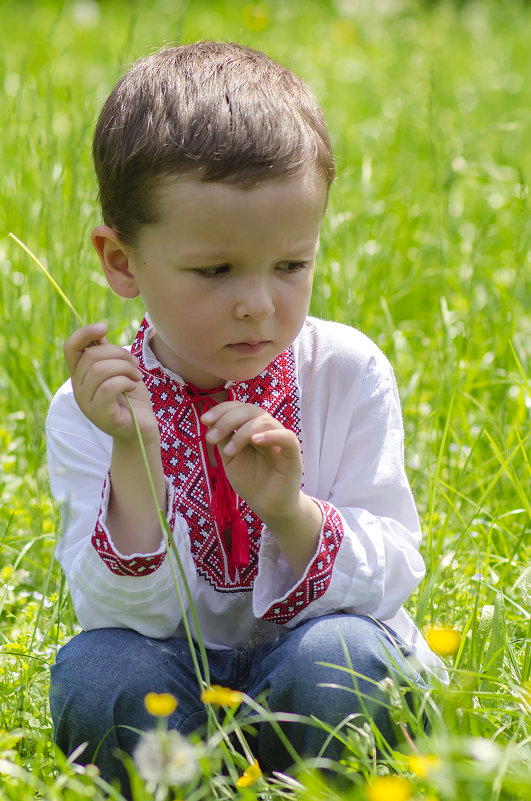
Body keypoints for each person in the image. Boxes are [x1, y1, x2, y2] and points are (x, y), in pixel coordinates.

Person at [46, 41, 444, 796]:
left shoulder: (345, 372)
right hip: (169, 675)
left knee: (349, 661)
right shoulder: (90, 409)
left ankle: (301, 771)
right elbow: (106, 611)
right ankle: (188, 772)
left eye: (290, 265)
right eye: (215, 269)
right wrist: (135, 451)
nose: (258, 304)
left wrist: (289, 512)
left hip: (311, 662)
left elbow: (394, 566)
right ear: (121, 260)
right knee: (98, 673)